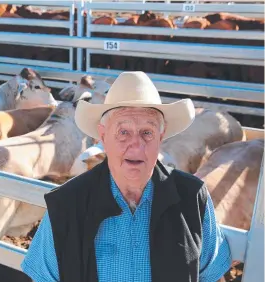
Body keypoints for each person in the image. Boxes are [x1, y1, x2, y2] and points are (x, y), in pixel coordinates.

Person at [21, 71, 232, 282]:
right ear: (102, 135)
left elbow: (212, 277)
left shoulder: (192, 197)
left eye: (147, 132)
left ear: (161, 136)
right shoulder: (66, 204)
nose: (136, 145)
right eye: (123, 132)